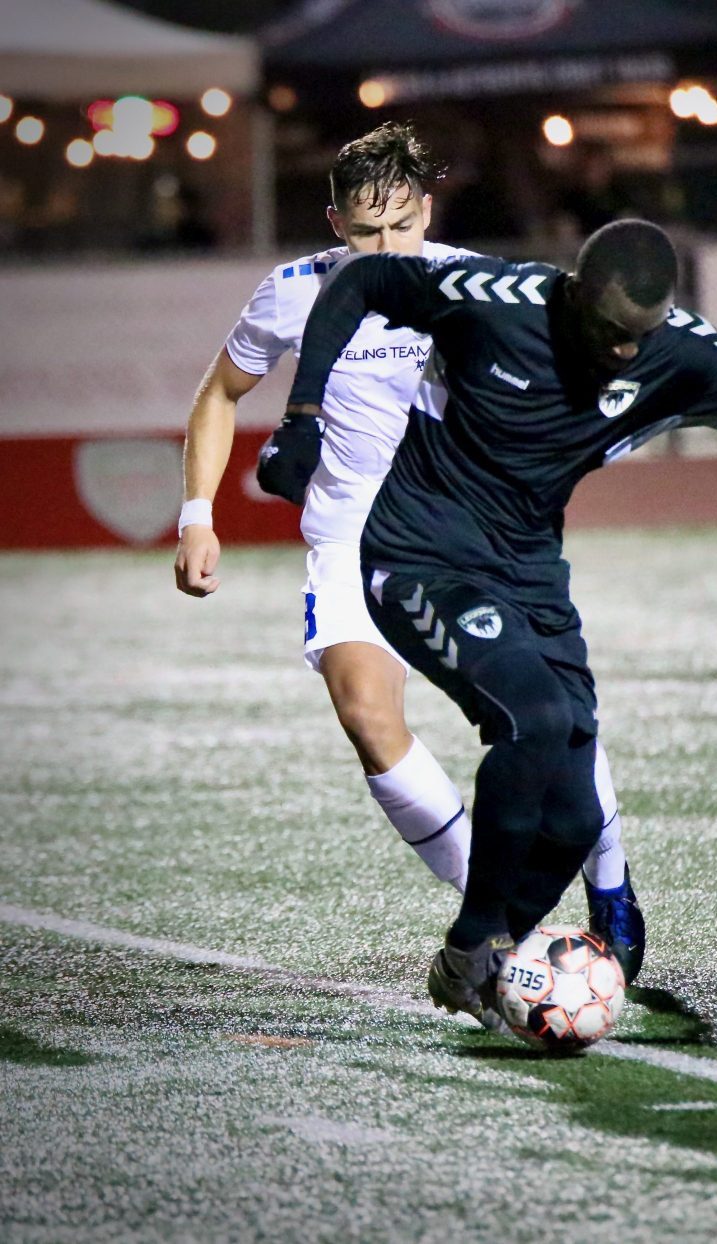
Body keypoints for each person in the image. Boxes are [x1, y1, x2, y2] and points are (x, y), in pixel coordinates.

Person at [284, 217, 717, 1028]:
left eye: (636, 337)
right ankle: (476, 948)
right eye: (610, 333)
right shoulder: (495, 301)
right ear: (575, 294)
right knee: (531, 720)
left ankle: (486, 955)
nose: (623, 353)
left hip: (532, 579)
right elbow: (361, 282)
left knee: (574, 820)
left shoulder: (676, 352)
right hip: (419, 557)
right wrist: (303, 414)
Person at [172, 122, 647, 985]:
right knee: (366, 713)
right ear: (333, 223)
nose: (384, 247)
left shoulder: (480, 288)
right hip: (352, 540)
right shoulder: (292, 292)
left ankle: (610, 884)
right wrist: (197, 515)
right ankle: (502, 922)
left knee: (539, 713)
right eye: (363, 231)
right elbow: (220, 392)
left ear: (427, 213)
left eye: (400, 227)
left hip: (465, 534)